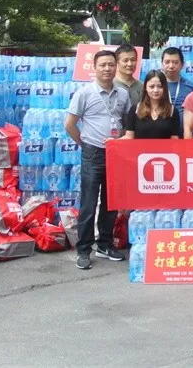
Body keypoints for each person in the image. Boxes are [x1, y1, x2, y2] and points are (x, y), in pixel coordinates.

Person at [64, 50, 131, 270]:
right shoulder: (84, 93)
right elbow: (69, 124)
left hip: (116, 153)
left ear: (116, 67)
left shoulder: (123, 94)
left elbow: (126, 122)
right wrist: (84, 144)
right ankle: (84, 249)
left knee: (111, 202)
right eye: (103, 65)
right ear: (94, 68)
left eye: (111, 65)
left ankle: (105, 244)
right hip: (93, 153)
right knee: (89, 203)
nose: (107, 69)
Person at [122, 70, 181, 140]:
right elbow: (129, 136)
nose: (156, 90)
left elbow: (174, 139)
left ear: (165, 88)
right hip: (140, 147)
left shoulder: (172, 111)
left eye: (160, 86)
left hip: (165, 148)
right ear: (145, 88)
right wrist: (113, 142)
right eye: (151, 86)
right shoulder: (135, 109)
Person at [160, 47, 193, 126]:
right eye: (167, 62)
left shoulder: (191, 88)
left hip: (184, 132)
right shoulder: (155, 86)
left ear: (182, 64)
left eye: (175, 62)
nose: (171, 66)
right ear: (162, 64)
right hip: (160, 131)